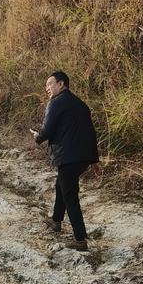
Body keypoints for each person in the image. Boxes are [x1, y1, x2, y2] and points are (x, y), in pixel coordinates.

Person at [30, 70, 99, 252]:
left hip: (68, 156)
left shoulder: (56, 103)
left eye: (50, 85)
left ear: (61, 84)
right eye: (46, 87)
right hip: (84, 156)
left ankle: (80, 239)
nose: (47, 89)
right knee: (62, 185)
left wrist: (38, 137)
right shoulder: (80, 104)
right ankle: (56, 221)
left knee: (70, 194)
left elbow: (46, 131)